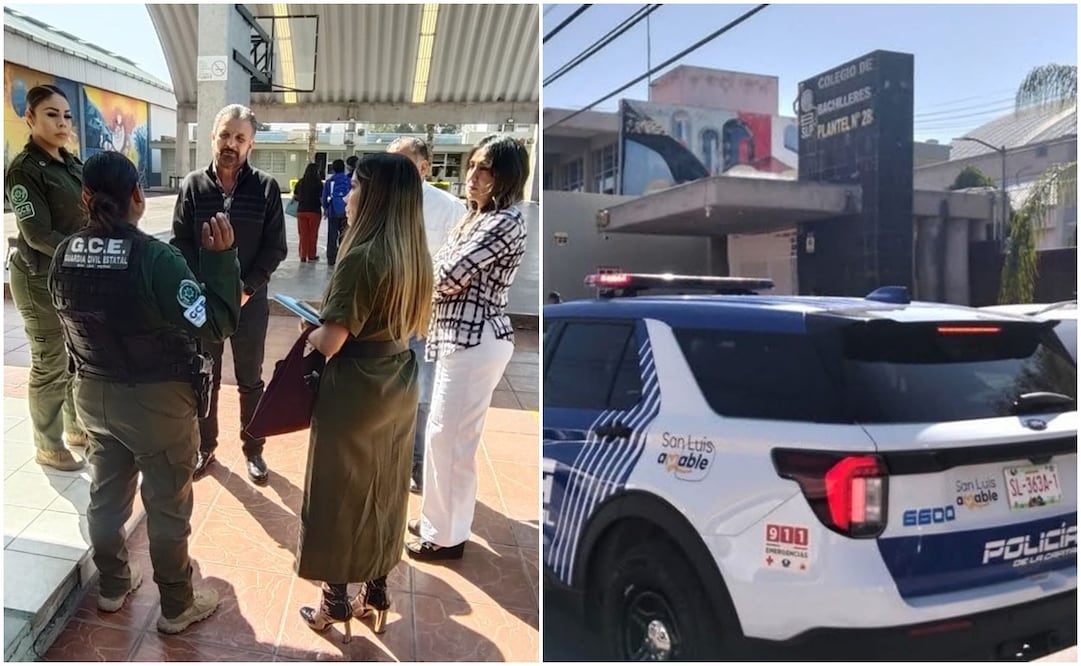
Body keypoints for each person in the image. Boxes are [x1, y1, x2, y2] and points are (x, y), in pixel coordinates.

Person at [47, 150, 242, 634]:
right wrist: (220, 261)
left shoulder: (63, 253)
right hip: (156, 405)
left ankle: (113, 585)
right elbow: (215, 323)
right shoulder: (156, 258)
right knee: (167, 504)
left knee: (106, 497)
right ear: (137, 195)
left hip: (91, 396)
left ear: (86, 197)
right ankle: (176, 604)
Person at [295, 153, 432, 638]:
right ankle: (376, 593)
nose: (346, 196)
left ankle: (334, 602)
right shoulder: (414, 252)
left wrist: (309, 330)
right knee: (385, 489)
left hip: (356, 388)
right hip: (398, 380)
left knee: (338, 495)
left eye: (354, 187)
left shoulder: (362, 255)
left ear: (372, 197)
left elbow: (331, 341)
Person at [407, 135, 530, 561]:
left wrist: (416, 282)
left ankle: (446, 537)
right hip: (456, 338)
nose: (473, 176)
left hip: (475, 340)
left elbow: (448, 274)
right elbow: (440, 268)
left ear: (507, 177)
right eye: (472, 165)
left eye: (486, 170)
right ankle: (437, 521)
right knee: (445, 436)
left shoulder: (505, 222)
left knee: (451, 439)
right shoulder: (476, 218)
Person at [170, 104, 287, 485]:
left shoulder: (266, 188)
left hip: (248, 304)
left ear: (251, 144)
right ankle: (206, 446)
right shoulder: (192, 186)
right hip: (205, 305)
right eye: (224, 135)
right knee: (207, 375)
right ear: (212, 137)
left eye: (239, 138)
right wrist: (203, 290)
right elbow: (181, 242)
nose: (230, 144)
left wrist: (245, 289)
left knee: (250, 379)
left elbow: (275, 248)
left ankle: (254, 450)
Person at [4, 84, 91, 471]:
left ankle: (75, 429)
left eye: (66, 115)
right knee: (49, 361)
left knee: (74, 357)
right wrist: (84, 254)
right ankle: (47, 444)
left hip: (72, 275)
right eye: (51, 114)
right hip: (40, 277)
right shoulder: (24, 170)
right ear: (30, 118)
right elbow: (37, 234)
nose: (61, 122)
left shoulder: (71, 163)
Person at [386, 136, 467, 494]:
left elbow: (458, 265)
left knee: (421, 393)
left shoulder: (449, 208)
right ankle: (387, 458)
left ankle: (416, 464)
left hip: (424, 318)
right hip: (386, 314)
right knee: (385, 389)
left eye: (403, 162)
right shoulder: (381, 201)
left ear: (423, 168)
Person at [321, 159, 351, 267]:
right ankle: (343, 257)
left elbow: (325, 197)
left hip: (333, 212)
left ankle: (331, 259)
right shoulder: (349, 180)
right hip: (346, 213)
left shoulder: (330, 181)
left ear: (333, 168)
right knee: (345, 236)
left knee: (332, 236)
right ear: (344, 168)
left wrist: (325, 208)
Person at [292, 162, 323, 262]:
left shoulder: (301, 182)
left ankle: (302, 255)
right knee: (313, 234)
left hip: (301, 211)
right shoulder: (318, 183)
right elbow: (321, 197)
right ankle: (311, 255)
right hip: (314, 211)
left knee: (303, 234)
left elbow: (295, 195)